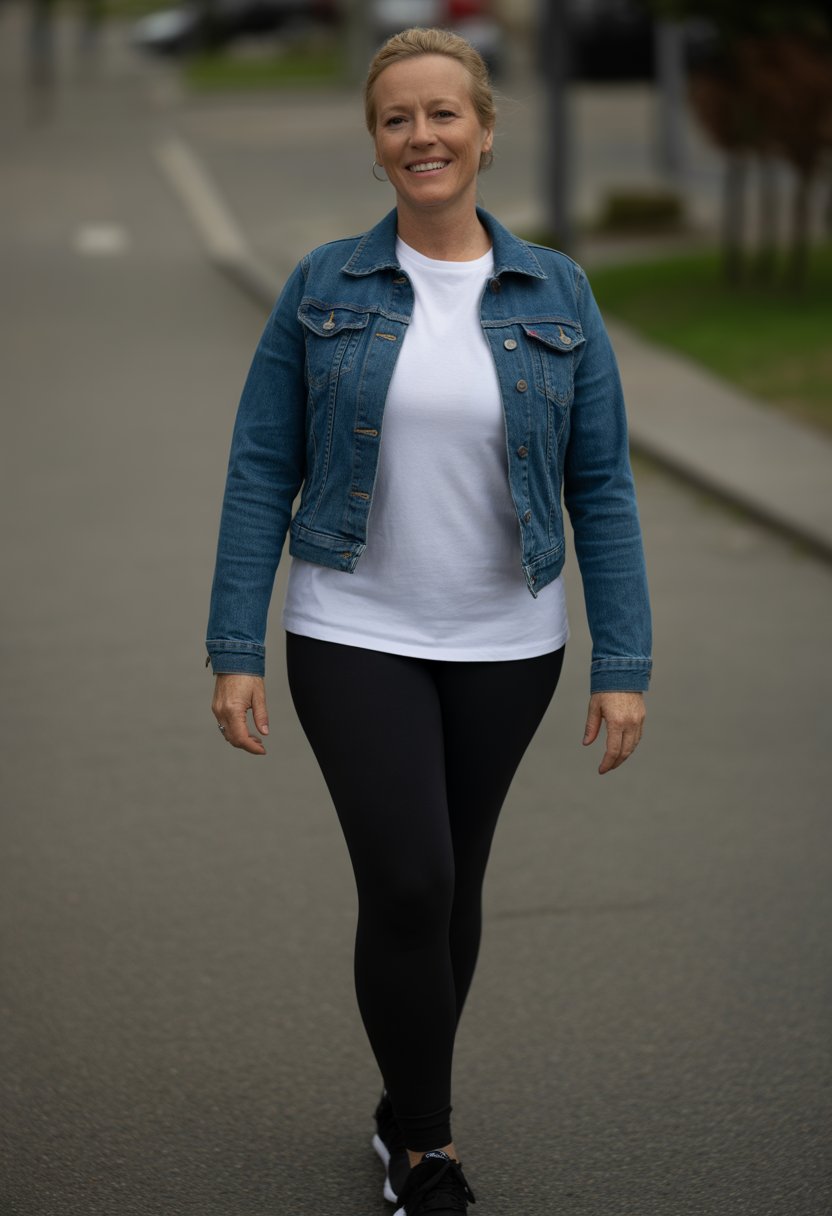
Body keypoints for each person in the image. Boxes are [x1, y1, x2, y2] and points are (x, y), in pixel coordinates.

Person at [207, 26, 651, 1216]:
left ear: (485, 130)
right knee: (407, 881)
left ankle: (405, 1104)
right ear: (376, 144)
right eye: (397, 119)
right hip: (352, 624)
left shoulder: (556, 289)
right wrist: (233, 646)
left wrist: (624, 658)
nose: (423, 136)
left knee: (453, 890)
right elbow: (261, 468)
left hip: (510, 641)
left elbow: (599, 481)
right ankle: (428, 1152)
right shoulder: (323, 287)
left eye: (443, 114)